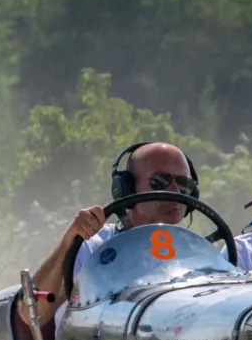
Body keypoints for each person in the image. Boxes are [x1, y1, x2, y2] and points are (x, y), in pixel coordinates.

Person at [25, 140, 199, 329]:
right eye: (160, 182)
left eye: (183, 186)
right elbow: (32, 314)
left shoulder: (199, 256)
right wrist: (69, 242)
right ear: (125, 189)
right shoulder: (93, 247)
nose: (174, 193)